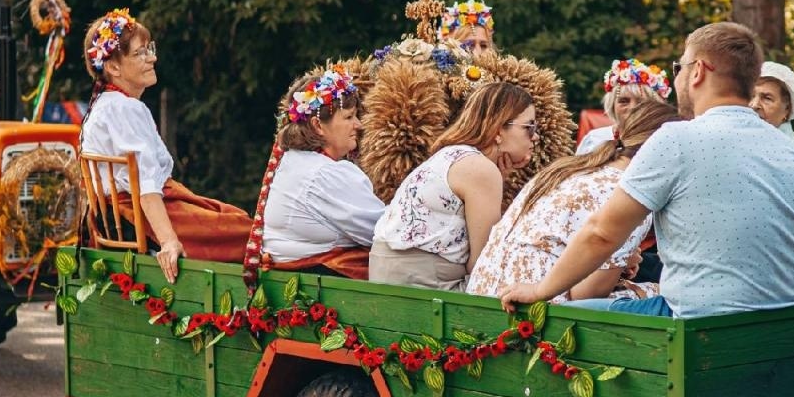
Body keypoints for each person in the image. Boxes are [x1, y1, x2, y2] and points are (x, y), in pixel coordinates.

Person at [499, 22, 794, 317]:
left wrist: (540, 289)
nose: (677, 78)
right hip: (785, 327)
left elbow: (601, 233)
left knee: (564, 316)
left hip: (697, 326)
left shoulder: (678, 138)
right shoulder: (793, 152)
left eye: (679, 67)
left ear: (698, 72)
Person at [77, 8, 252, 283]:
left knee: (234, 218)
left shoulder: (107, 105)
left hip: (126, 215)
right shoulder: (123, 108)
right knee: (248, 233)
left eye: (150, 49)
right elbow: (145, 183)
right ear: (113, 67)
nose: (152, 58)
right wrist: (169, 241)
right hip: (138, 217)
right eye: (140, 54)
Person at [468, 96, 680, 302]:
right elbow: (586, 296)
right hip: (528, 310)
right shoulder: (630, 195)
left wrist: (618, 261)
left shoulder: (566, 170)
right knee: (664, 295)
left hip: (483, 294)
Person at [370, 81, 537, 290]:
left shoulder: (454, 155)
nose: (535, 136)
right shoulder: (480, 169)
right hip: (426, 284)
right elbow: (485, 262)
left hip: (392, 278)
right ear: (499, 129)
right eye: (529, 128)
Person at [259, 65, 385, 279]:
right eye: (349, 117)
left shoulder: (294, 161)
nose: (359, 124)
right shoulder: (324, 174)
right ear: (318, 125)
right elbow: (384, 232)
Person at [576, 58, 672, 155]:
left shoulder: (666, 141)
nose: (632, 107)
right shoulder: (594, 140)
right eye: (624, 101)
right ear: (612, 106)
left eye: (641, 102)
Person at [750, 60, 794, 144]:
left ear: (787, 109)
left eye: (767, 98)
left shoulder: (791, 149)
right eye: (751, 96)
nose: (754, 105)